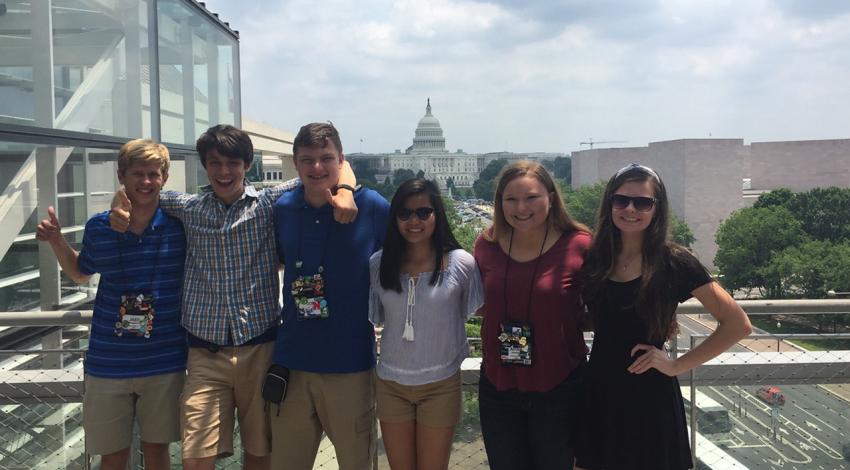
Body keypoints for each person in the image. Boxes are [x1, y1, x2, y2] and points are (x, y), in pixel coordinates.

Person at [109, 124, 359, 470]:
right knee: (196, 456)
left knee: (260, 453)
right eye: (215, 164)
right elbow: (141, 189)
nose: (224, 172)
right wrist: (118, 203)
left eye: (233, 164)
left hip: (260, 349)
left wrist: (345, 189)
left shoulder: (270, 203)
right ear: (205, 167)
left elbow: (326, 169)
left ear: (247, 165)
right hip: (205, 354)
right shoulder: (188, 208)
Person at [574, 163, 752, 470]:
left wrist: (676, 365)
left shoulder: (674, 261)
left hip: (650, 395)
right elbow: (598, 317)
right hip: (599, 389)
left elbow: (738, 324)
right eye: (621, 200)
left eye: (643, 202)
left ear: (657, 208)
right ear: (610, 204)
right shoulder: (595, 258)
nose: (631, 209)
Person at [36, 139, 186, 470]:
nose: (145, 182)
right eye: (137, 174)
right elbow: (80, 273)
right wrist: (57, 241)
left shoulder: (180, 226)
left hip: (164, 359)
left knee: (157, 451)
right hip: (108, 362)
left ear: (164, 177)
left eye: (153, 174)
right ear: (121, 175)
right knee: (113, 456)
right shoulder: (100, 227)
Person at [269, 122, 389, 470]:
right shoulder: (283, 208)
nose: (317, 167)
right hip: (292, 361)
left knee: (357, 463)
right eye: (307, 159)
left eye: (326, 158)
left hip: (349, 365)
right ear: (295, 163)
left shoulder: (372, 207)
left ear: (341, 160)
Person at [473, 161, 591, 470]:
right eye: (510, 199)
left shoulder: (579, 245)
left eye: (531, 197)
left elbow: (607, 302)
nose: (521, 207)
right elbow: (480, 301)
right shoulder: (486, 244)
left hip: (559, 386)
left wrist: (655, 322)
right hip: (499, 386)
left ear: (551, 197)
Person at [368, 178, 484, 470]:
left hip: (440, 384)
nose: (414, 221)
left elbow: (473, 310)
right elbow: (380, 317)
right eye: (404, 213)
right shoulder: (378, 264)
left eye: (423, 212)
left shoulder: (461, 264)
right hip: (391, 383)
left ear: (437, 215)